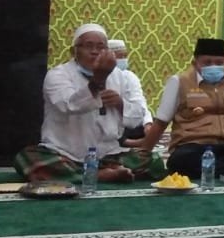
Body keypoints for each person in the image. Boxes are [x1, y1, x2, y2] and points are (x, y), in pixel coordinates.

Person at [15, 23, 165, 183]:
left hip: (108, 155)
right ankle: (100, 175)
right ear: (74, 51)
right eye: (88, 46)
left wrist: (121, 104)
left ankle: (93, 173)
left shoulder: (120, 77)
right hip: (66, 153)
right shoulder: (58, 75)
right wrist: (97, 81)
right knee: (27, 158)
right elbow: (68, 105)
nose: (95, 51)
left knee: (153, 161)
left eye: (101, 47)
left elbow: (136, 118)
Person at [129, 38, 224, 179]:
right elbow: (161, 123)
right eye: (207, 62)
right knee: (179, 161)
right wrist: (144, 153)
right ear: (195, 63)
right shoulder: (179, 81)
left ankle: (219, 168)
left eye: (219, 63)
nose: (213, 66)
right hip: (193, 147)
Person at [108, 39, 152, 143]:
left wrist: (148, 123)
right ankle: (130, 142)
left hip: (131, 122)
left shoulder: (130, 76)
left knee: (153, 124)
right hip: (110, 123)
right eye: (120, 56)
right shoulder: (101, 76)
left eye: (125, 56)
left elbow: (140, 102)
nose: (124, 59)